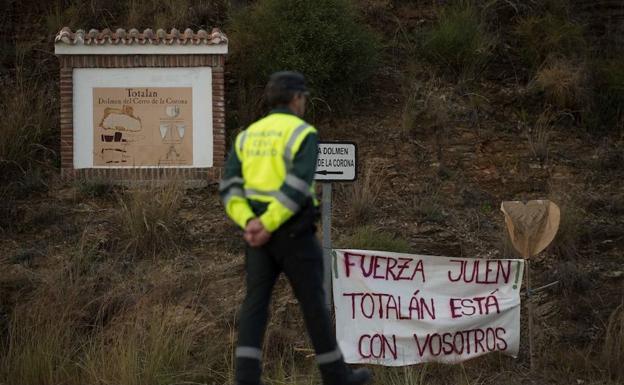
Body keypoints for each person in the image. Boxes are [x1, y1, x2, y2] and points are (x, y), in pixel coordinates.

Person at [219, 71, 372, 385]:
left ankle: (245, 379)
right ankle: (336, 377)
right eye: (304, 97)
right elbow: (297, 184)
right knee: (313, 303)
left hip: (256, 235)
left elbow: (230, 186)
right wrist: (269, 223)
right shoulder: (302, 133)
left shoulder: (247, 135)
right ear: (296, 99)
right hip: (293, 232)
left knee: (255, 303)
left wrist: (249, 222)